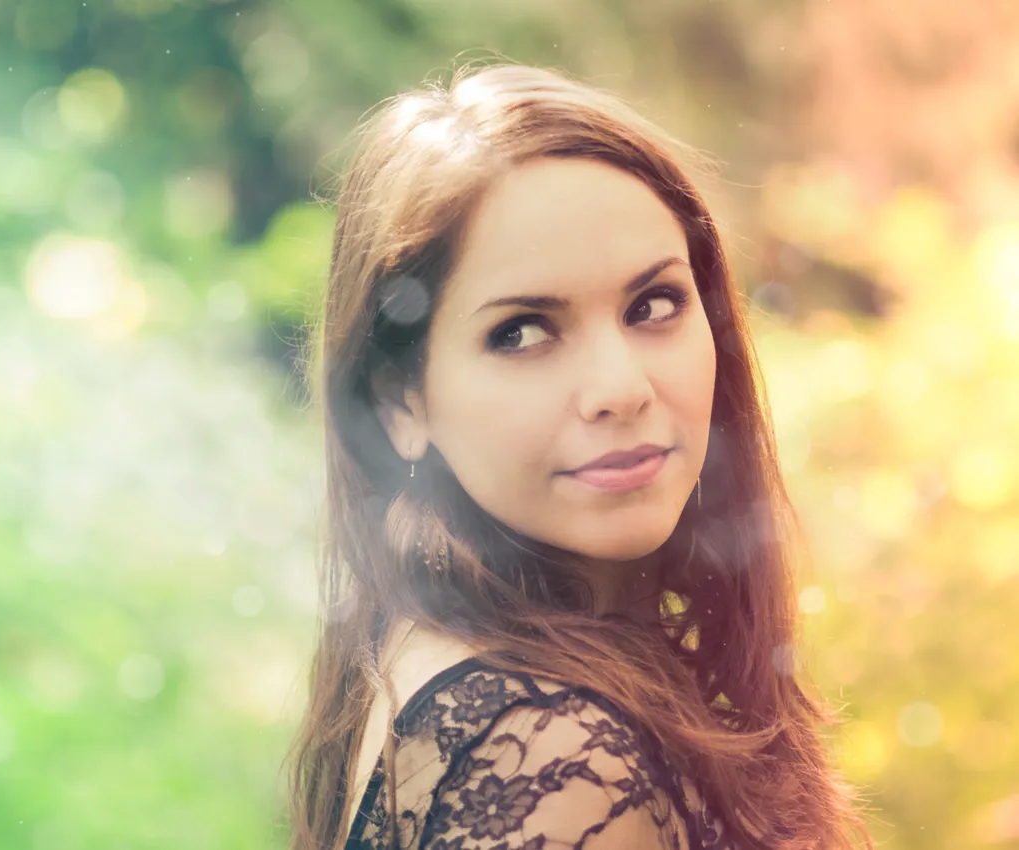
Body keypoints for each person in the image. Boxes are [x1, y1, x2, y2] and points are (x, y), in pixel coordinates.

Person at [286, 64, 872, 850]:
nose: (620, 388)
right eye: (523, 331)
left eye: (652, 305)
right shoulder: (549, 753)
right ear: (402, 401)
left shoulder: (452, 668)